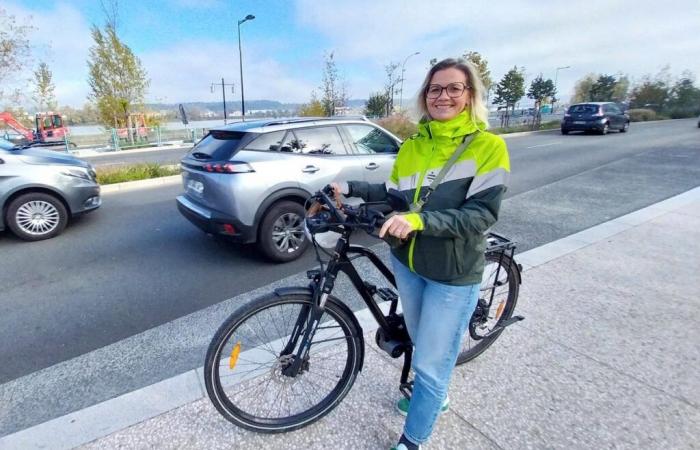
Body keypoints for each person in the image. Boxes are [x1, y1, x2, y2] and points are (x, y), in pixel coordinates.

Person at [330, 58, 510, 450]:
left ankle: (413, 440)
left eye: (453, 88)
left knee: (430, 364)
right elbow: (396, 195)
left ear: (470, 96)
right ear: (425, 96)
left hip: (452, 273)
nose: (442, 96)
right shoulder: (413, 145)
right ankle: (436, 397)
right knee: (417, 339)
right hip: (409, 265)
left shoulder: (488, 147)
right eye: (435, 89)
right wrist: (348, 186)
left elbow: (481, 215)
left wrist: (420, 222)